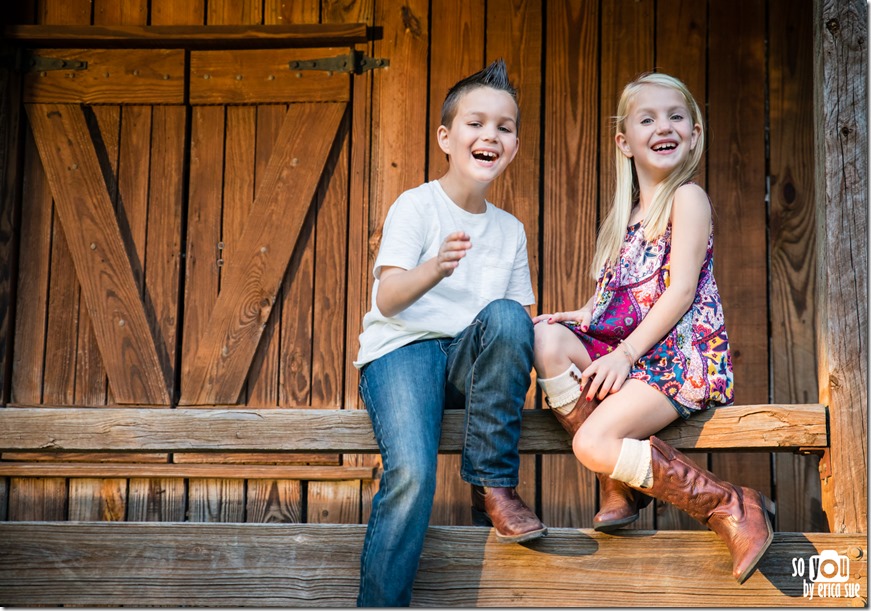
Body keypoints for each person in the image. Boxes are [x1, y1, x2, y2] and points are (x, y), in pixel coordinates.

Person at [533, 72, 774, 584]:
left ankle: (728, 504)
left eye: (675, 116)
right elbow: (623, 296)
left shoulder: (688, 198)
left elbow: (680, 290)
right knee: (546, 338)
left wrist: (623, 355)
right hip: (637, 356)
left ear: (695, 130)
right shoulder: (630, 218)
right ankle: (620, 483)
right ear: (624, 141)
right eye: (647, 119)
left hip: (679, 358)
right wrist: (582, 314)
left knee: (591, 444)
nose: (663, 127)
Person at [353, 59, 545, 607]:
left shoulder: (510, 230)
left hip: (466, 363)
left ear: (513, 145)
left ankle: (493, 485)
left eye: (504, 128)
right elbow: (386, 299)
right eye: (476, 123)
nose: (490, 135)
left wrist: (559, 329)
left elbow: (517, 325)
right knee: (412, 473)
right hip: (403, 351)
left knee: (511, 316)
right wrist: (435, 267)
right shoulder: (416, 206)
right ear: (446, 137)